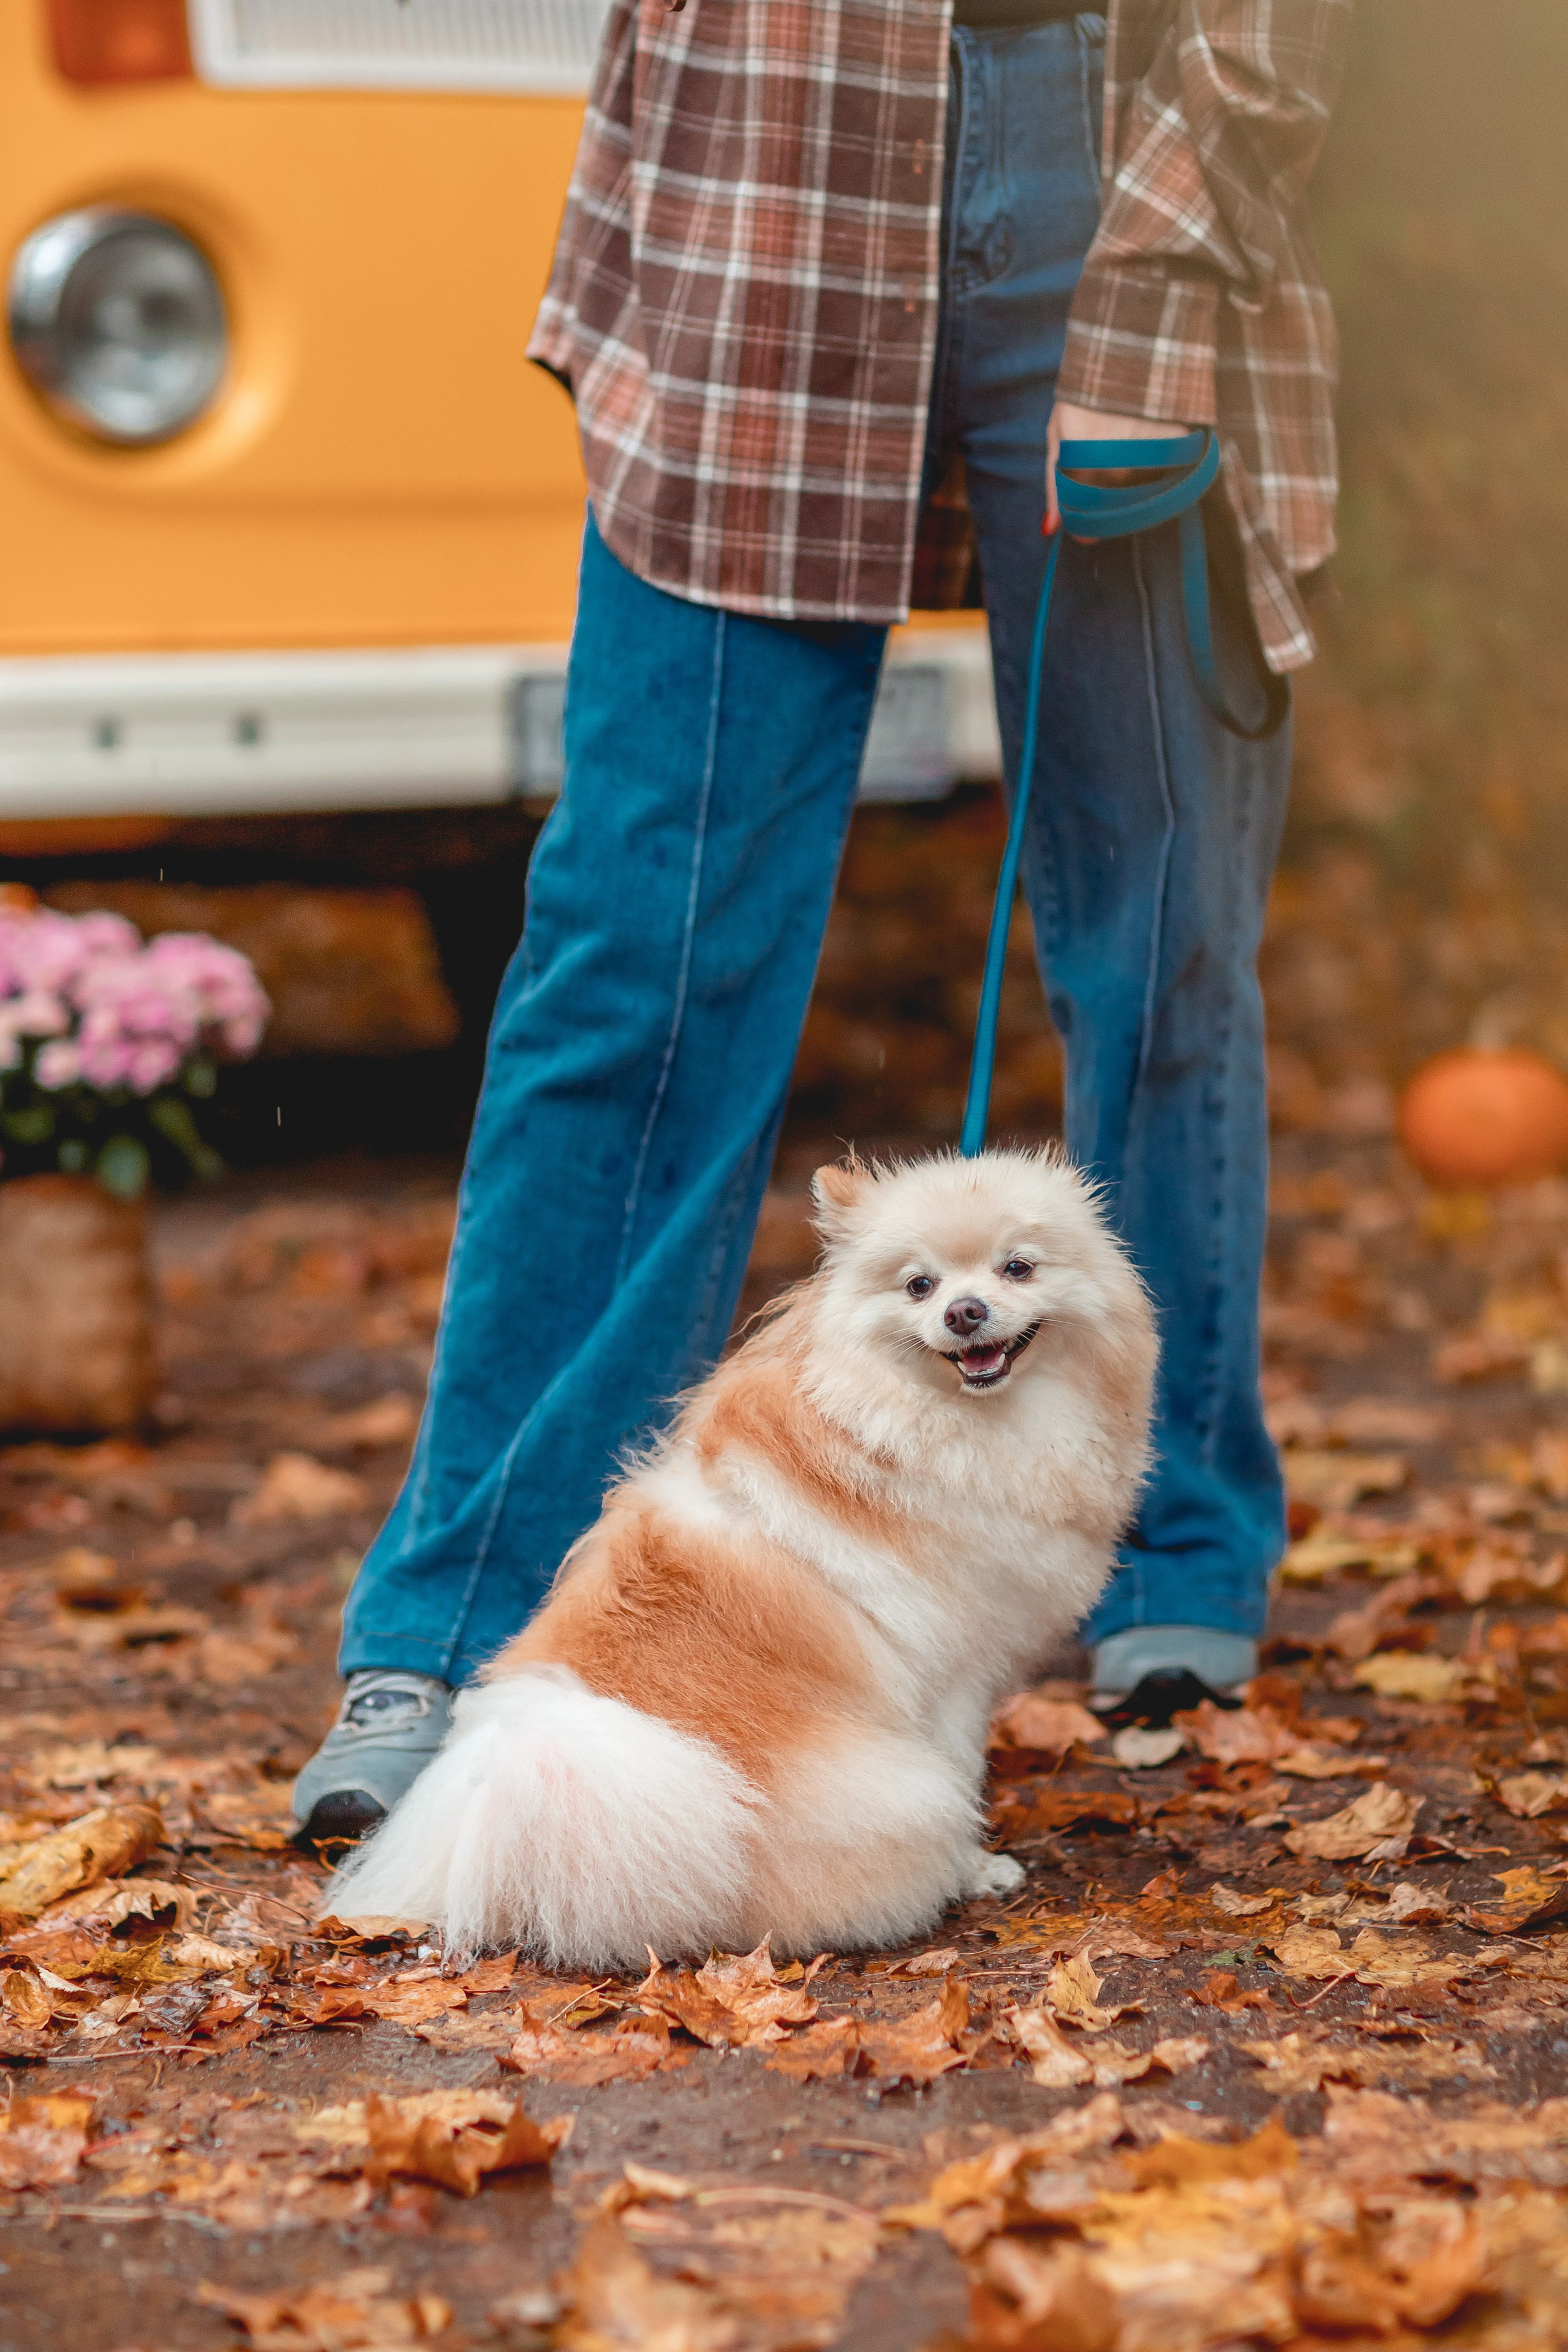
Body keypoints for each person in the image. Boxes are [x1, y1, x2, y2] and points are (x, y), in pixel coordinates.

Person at [292, 0, 1352, 1844]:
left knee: (1160, 940)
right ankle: (477, 1621)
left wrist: (1168, 264)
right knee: (637, 953)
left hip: (1107, 147)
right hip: (770, 160)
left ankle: (1173, 1530)